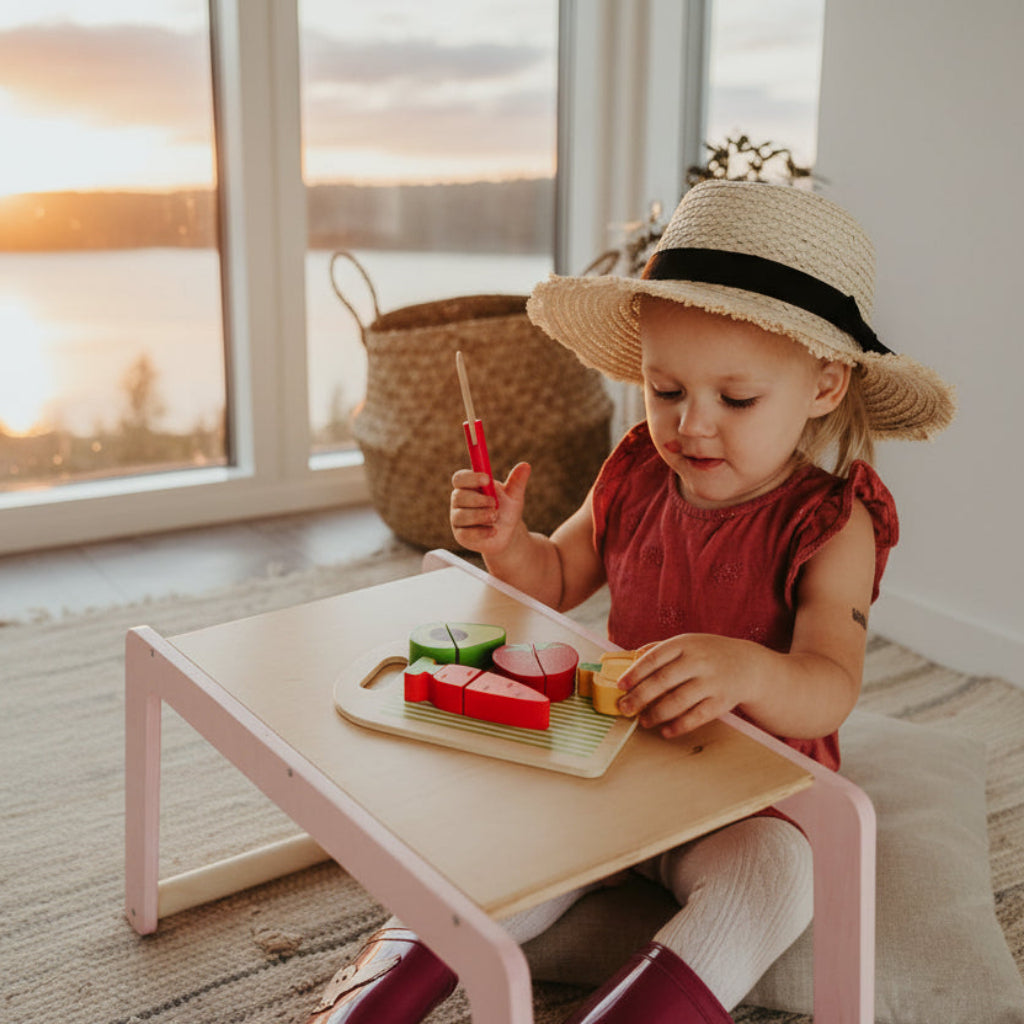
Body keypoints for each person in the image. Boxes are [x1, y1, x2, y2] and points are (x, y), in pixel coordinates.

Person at [302, 180, 956, 1024]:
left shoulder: (835, 522)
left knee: (780, 882)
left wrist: (743, 667)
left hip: (753, 795)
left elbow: (832, 683)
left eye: (738, 399)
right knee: (508, 848)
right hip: (614, 758)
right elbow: (556, 579)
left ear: (825, 387)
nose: (693, 427)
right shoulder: (639, 467)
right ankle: (365, 1003)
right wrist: (508, 544)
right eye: (667, 390)